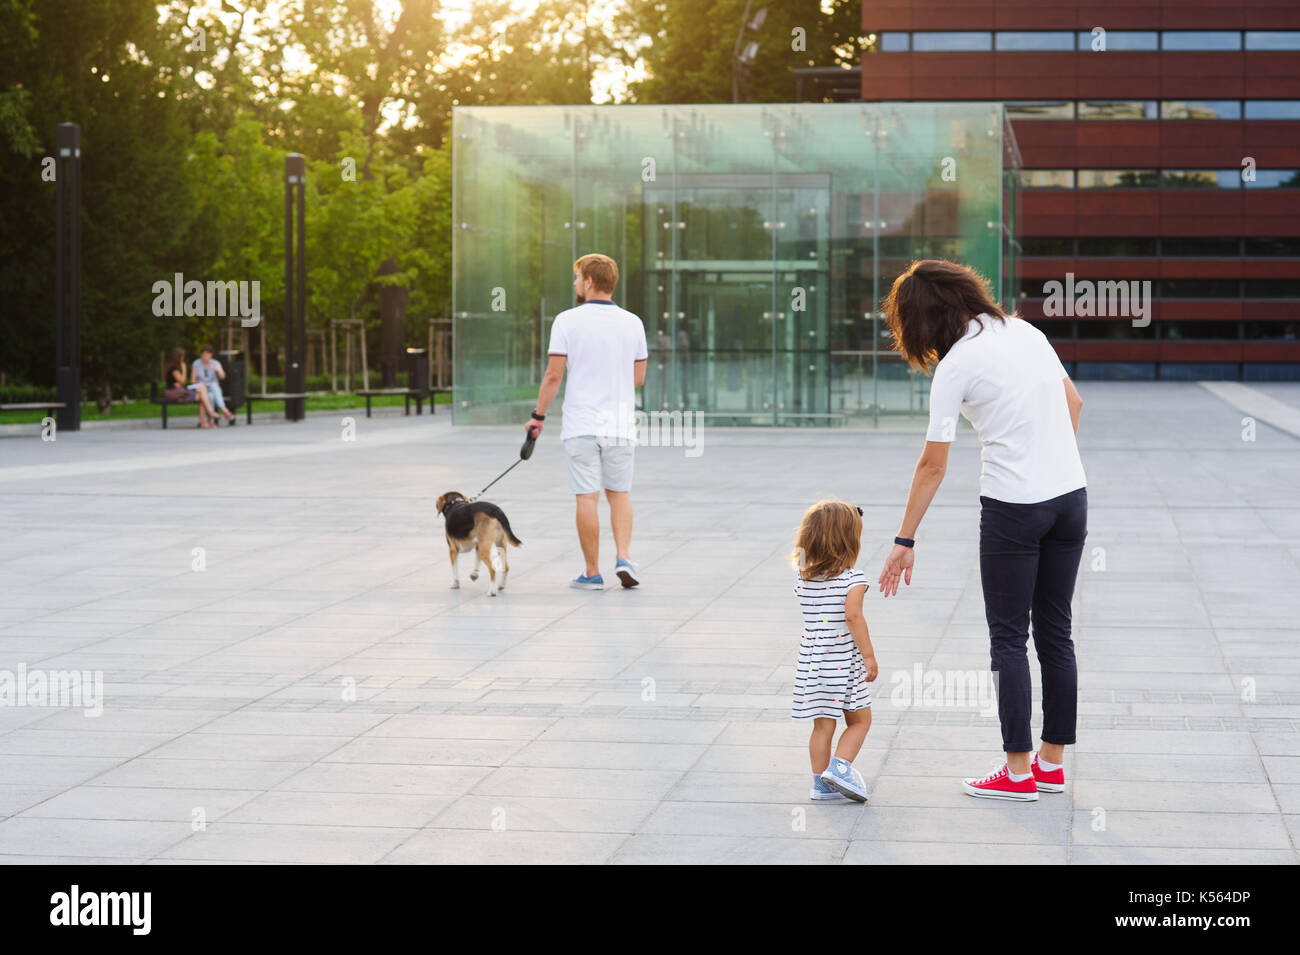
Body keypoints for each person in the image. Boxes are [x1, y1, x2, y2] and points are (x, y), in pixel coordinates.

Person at [876, 259, 1087, 803]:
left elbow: (932, 464)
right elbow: (1074, 402)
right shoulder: (1026, 330)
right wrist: (1051, 461)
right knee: (1056, 633)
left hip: (1013, 509)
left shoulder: (957, 364)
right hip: (1070, 499)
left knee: (1008, 637)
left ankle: (1017, 773)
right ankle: (1052, 764)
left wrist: (903, 540)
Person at [526, 253, 648, 591]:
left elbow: (553, 376)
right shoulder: (633, 322)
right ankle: (624, 557)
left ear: (590, 282)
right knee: (619, 494)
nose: (575, 283)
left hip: (581, 424)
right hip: (620, 425)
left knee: (587, 497)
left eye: (578, 277)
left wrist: (538, 417)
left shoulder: (567, 321)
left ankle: (592, 573)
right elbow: (638, 378)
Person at [790, 500, 878, 803]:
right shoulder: (853, 579)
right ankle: (840, 768)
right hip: (843, 665)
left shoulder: (804, 577)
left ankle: (820, 784)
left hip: (812, 666)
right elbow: (853, 617)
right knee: (860, 721)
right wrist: (868, 655)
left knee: (822, 725)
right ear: (849, 540)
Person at [163, 347, 217, 428]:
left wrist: (179, 383)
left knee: (202, 390)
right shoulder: (173, 369)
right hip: (174, 393)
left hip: (178, 391)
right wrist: (184, 369)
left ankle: (203, 421)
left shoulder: (172, 367)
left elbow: (179, 383)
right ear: (178, 357)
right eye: (182, 356)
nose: (183, 359)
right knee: (202, 392)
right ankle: (210, 413)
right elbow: (183, 381)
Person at [191, 346, 234, 422]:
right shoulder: (196, 363)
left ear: (211, 355)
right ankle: (224, 411)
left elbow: (223, 376)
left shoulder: (215, 363)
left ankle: (211, 419)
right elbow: (192, 380)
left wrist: (217, 370)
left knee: (212, 394)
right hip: (201, 387)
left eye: (207, 354)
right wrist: (200, 384)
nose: (205, 356)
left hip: (212, 387)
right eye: (203, 354)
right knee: (209, 389)